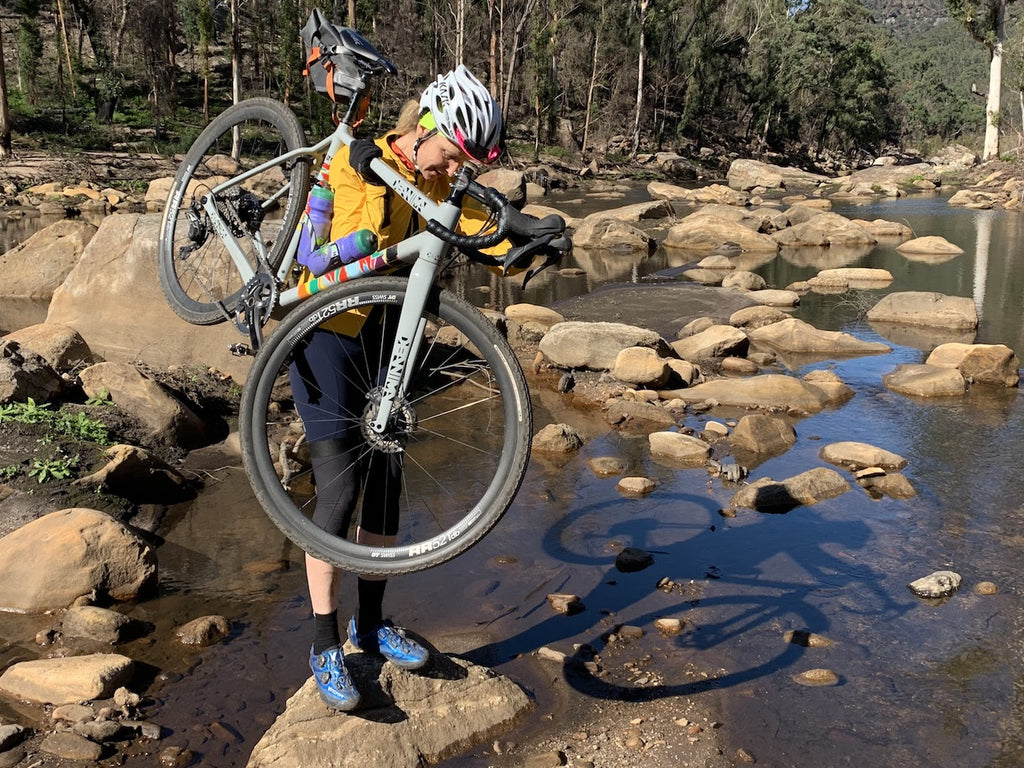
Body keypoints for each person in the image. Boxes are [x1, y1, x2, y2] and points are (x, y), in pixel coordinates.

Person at [295, 64, 504, 712]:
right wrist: (355, 160)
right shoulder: (364, 160)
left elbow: (482, 230)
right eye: (454, 153)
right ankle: (324, 643)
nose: (456, 168)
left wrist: (527, 239)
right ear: (429, 129)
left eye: (468, 161)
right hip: (327, 333)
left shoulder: (436, 178)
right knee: (340, 492)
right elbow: (321, 236)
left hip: (387, 339)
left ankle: (370, 625)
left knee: (385, 486)